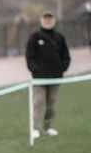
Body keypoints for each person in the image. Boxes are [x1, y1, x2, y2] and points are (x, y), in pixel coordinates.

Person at [25, 10, 71, 138]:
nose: (48, 21)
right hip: (39, 78)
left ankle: (49, 126)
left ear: (54, 20)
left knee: (52, 102)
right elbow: (30, 56)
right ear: (41, 20)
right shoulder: (35, 37)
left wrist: (62, 69)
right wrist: (34, 69)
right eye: (45, 18)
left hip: (55, 77)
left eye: (50, 18)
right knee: (38, 101)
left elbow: (66, 57)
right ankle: (36, 128)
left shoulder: (59, 38)